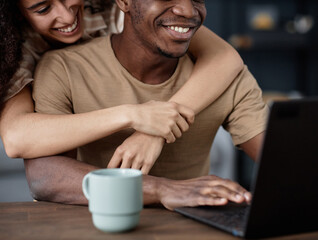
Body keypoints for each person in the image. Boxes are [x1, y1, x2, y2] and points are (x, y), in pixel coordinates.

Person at [26, 0, 268, 210]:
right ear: (123, 2)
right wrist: (162, 190)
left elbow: (286, 161)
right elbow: (44, 177)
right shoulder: (63, 68)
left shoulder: (226, 76)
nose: (187, 10)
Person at [0, 0, 243, 173]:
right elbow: (16, 137)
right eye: (43, 9)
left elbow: (224, 58)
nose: (66, 16)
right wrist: (131, 115)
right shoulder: (16, 48)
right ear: (17, 12)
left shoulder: (112, 6)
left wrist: (154, 129)